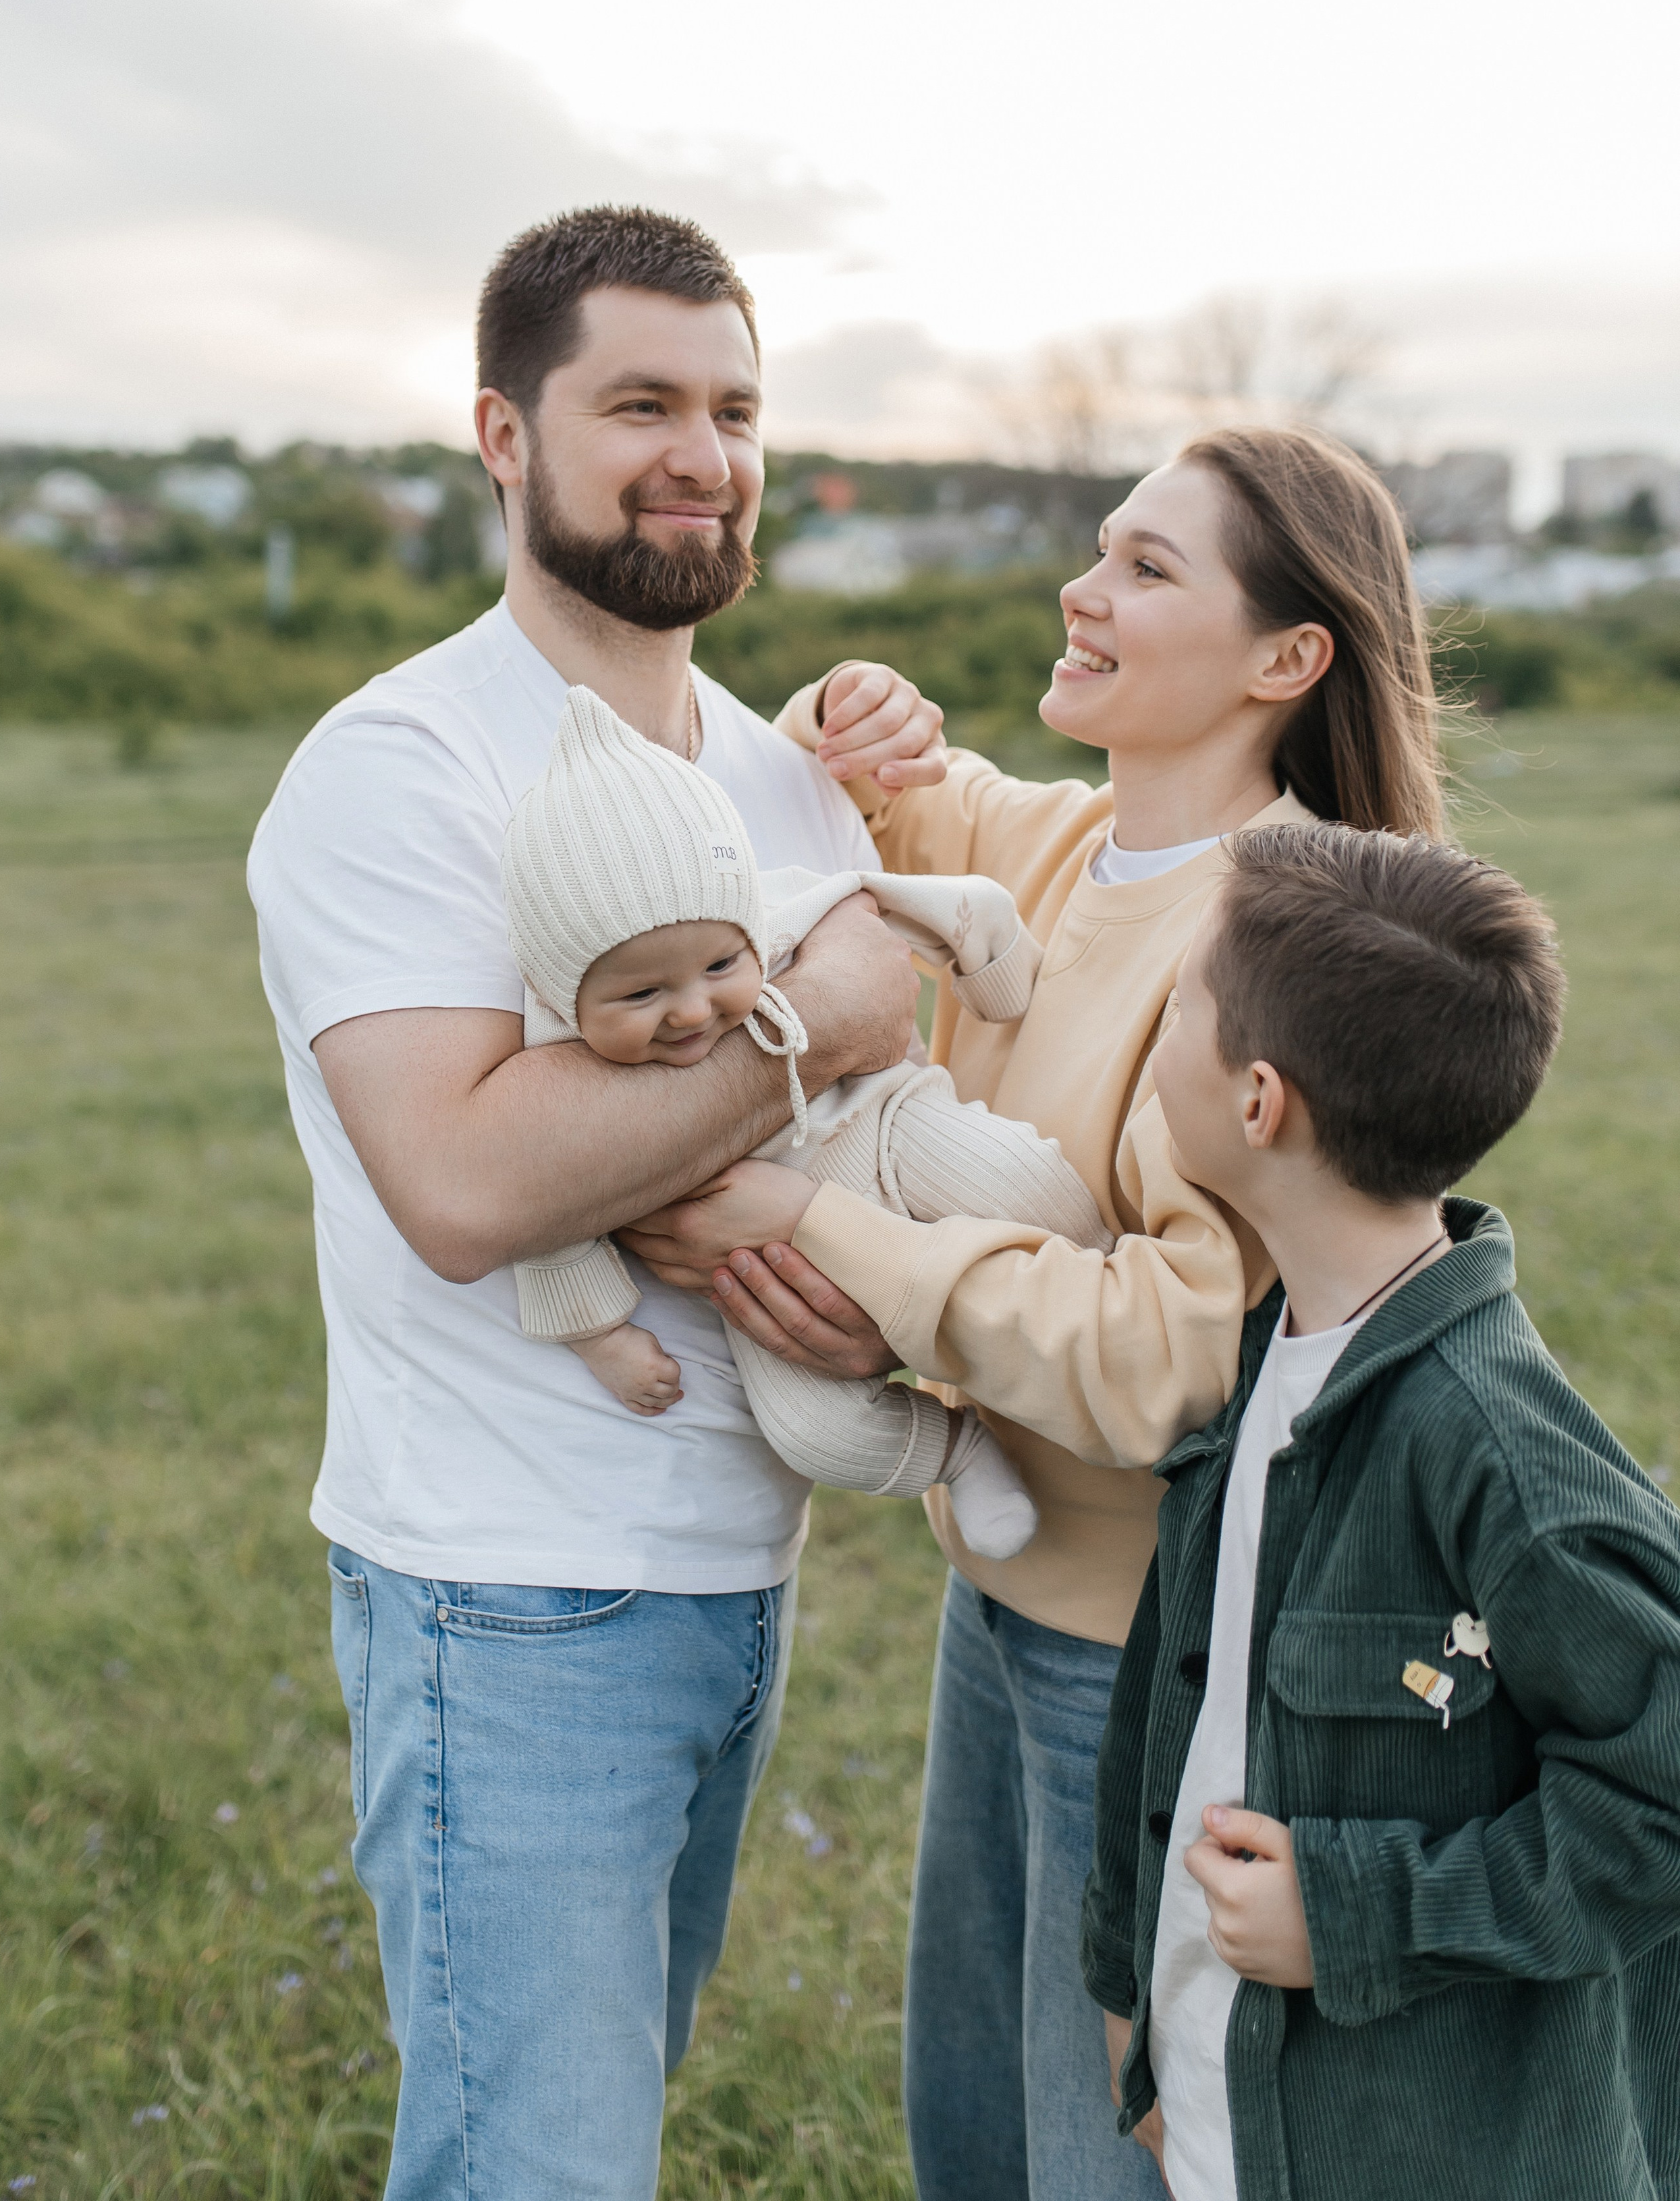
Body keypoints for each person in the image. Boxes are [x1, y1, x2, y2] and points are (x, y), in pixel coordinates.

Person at [620, 427, 1447, 2201]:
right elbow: (784, 821)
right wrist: (841, 711)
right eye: (1100, 546)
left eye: (1150, 570)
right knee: (971, 2141)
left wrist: (838, 1243)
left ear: (1288, 660)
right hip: (997, 1613)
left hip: (1152, 1654)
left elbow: (1178, 1359)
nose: (1085, 589)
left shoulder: (1287, 940)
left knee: (1096, 2170)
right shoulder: (1059, 838)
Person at [245, 205, 923, 2201]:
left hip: (734, 1578)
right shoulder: (403, 764)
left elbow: (849, 1141)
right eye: (639, 402)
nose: (700, 453)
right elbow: (462, 1181)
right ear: (502, 435)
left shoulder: (783, 774)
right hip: (509, 1595)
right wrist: (816, 1024)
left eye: (734, 407)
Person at [1083, 820, 1680, 2201]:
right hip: (1231, 2115)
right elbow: (1170, 1718)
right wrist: (1140, 2022)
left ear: (1256, 1104)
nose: (1155, 1027)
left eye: (1178, 1006)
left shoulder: (1500, 1456)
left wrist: (1354, 1909)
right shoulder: (1258, 1359)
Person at [499, 678, 1115, 1558]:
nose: (691, 1011)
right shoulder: (560, 1071)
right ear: (566, 994)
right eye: (641, 993)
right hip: (759, 1265)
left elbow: (929, 899)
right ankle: (961, 1453)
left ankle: (1106, 1294)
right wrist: (602, 1337)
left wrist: (999, 969)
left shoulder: (777, 911)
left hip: (880, 1124)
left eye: (720, 965)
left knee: (1024, 1186)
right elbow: (547, 1207)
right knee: (816, 1433)